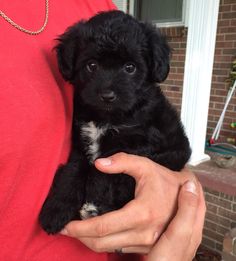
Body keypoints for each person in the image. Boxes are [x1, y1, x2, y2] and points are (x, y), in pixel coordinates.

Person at [0, 1, 205, 260]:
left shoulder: (92, 3)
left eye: (129, 68)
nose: (108, 89)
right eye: (92, 67)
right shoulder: (82, 73)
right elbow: (81, 156)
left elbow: (164, 163)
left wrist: (182, 195)